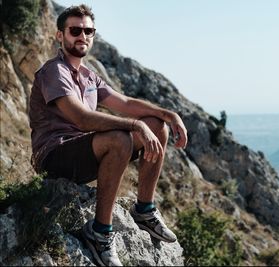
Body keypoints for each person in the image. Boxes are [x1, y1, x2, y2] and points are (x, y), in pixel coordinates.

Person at [29, 4, 188, 266]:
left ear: (93, 35)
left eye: (88, 31)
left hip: (82, 153)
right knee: (120, 137)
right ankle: (100, 233)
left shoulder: (90, 76)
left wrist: (169, 114)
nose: (82, 36)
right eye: (75, 30)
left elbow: (125, 103)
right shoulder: (54, 71)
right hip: (53, 156)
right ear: (60, 35)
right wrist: (135, 125)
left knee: (158, 127)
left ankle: (144, 210)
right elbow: (81, 117)